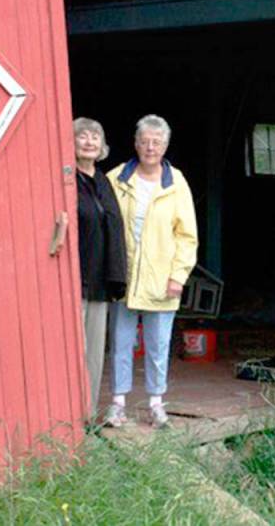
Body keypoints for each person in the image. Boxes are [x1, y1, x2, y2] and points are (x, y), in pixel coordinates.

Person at [106, 114, 198, 428]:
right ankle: (118, 402)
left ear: (165, 146)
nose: (150, 147)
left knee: (158, 345)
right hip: (126, 277)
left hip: (162, 278)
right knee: (121, 342)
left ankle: (156, 403)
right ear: (135, 143)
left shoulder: (177, 183)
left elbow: (187, 235)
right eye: (144, 141)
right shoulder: (117, 178)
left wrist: (178, 275)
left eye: (156, 142)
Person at [73, 118, 127, 419]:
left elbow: (115, 229)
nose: (89, 142)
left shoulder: (104, 182)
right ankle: (68, 413)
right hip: (74, 279)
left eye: (95, 136)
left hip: (99, 281)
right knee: (72, 351)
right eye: (82, 136)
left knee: (94, 353)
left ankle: (88, 414)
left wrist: (117, 276)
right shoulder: (66, 180)